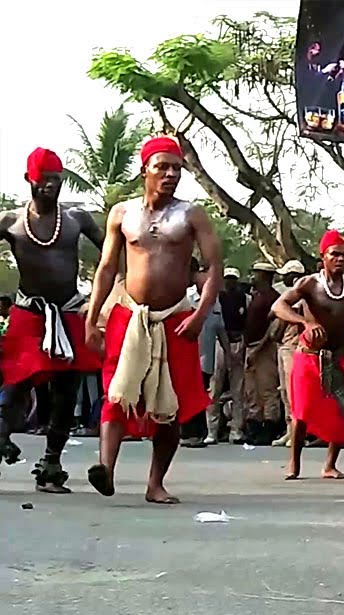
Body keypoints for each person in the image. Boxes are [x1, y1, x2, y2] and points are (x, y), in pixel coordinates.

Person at [83, 136, 222, 504]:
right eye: (162, 167)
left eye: (176, 168)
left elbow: (214, 268)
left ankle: (155, 483)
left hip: (176, 317)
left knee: (169, 405)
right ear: (145, 169)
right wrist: (92, 318)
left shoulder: (192, 215)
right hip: (128, 315)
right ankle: (106, 469)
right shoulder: (122, 214)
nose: (171, 174)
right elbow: (108, 268)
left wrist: (200, 314)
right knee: (116, 391)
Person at [0, 148, 105, 492]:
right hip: (28, 313)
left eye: (55, 179)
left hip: (70, 312)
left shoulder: (77, 218)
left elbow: (116, 250)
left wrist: (105, 296)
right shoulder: (10, 221)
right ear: (29, 179)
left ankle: (51, 464)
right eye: (43, 178)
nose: (49, 185)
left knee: (66, 391)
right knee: (16, 384)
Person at [273, 231, 344, 480]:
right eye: (335, 255)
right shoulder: (309, 284)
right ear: (323, 258)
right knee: (302, 411)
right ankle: (294, 463)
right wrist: (304, 323)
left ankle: (330, 465)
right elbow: (278, 306)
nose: (340, 259)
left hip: (339, 354)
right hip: (309, 355)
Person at [206, 266, 247, 445]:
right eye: (227, 278)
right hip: (218, 344)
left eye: (233, 279)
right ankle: (212, 431)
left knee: (238, 390)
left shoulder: (245, 298)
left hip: (238, 342)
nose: (230, 282)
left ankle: (236, 429)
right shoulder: (215, 298)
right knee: (214, 388)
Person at [243, 261, 281, 445]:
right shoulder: (256, 296)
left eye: (256, 273)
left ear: (265, 276)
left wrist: (258, 349)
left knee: (267, 389)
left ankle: (269, 427)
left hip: (264, 348)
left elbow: (272, 328)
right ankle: (254, 426)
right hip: (251, 346)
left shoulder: (273, 298)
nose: (253, 276)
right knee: (252, 390)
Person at [271, 259, 306, 447]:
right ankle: (288, 429)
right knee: (284, 390)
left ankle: (297, 431)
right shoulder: (286, 295)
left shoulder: (301, 296)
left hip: (295, 346)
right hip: (283, 345)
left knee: (294, 392)